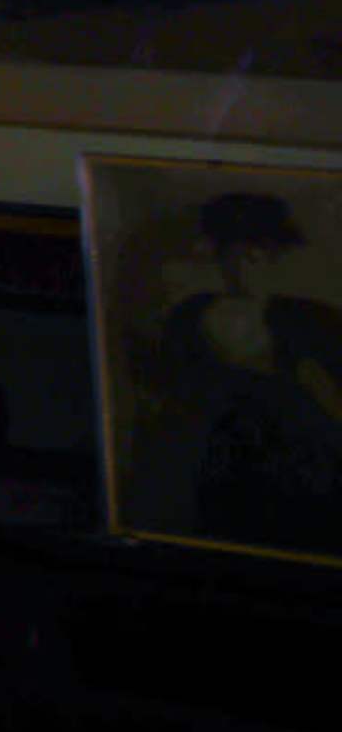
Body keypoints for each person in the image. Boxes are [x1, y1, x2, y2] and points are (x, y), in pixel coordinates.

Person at [131, 190, 342, 561]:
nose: (251, 264)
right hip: (226, 480)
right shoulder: (189, 318)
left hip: (310, 480)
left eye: (263, 253)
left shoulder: (312, 319)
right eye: (240, 253)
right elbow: (174, 400)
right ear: (219, 255)